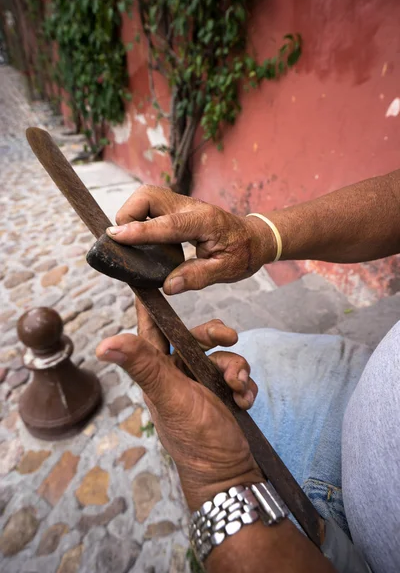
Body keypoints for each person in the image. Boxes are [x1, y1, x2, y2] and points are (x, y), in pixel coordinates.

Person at [96, 173, 400, 573]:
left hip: (346, 542)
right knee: (246, 351)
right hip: (365, 389)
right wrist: (257, 236)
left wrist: (219, 484)